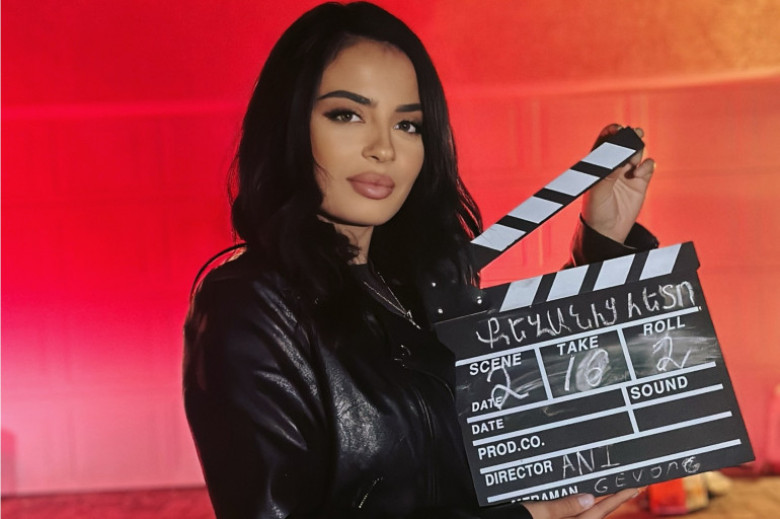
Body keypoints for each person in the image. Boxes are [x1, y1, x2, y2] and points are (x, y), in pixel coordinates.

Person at [183, 2, 658, 518]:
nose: (384, 148)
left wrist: (604, 240)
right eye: (347, 114)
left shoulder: (421, 287)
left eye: (407, 125)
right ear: (290, 125)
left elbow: (544, 400)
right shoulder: (249, 307)